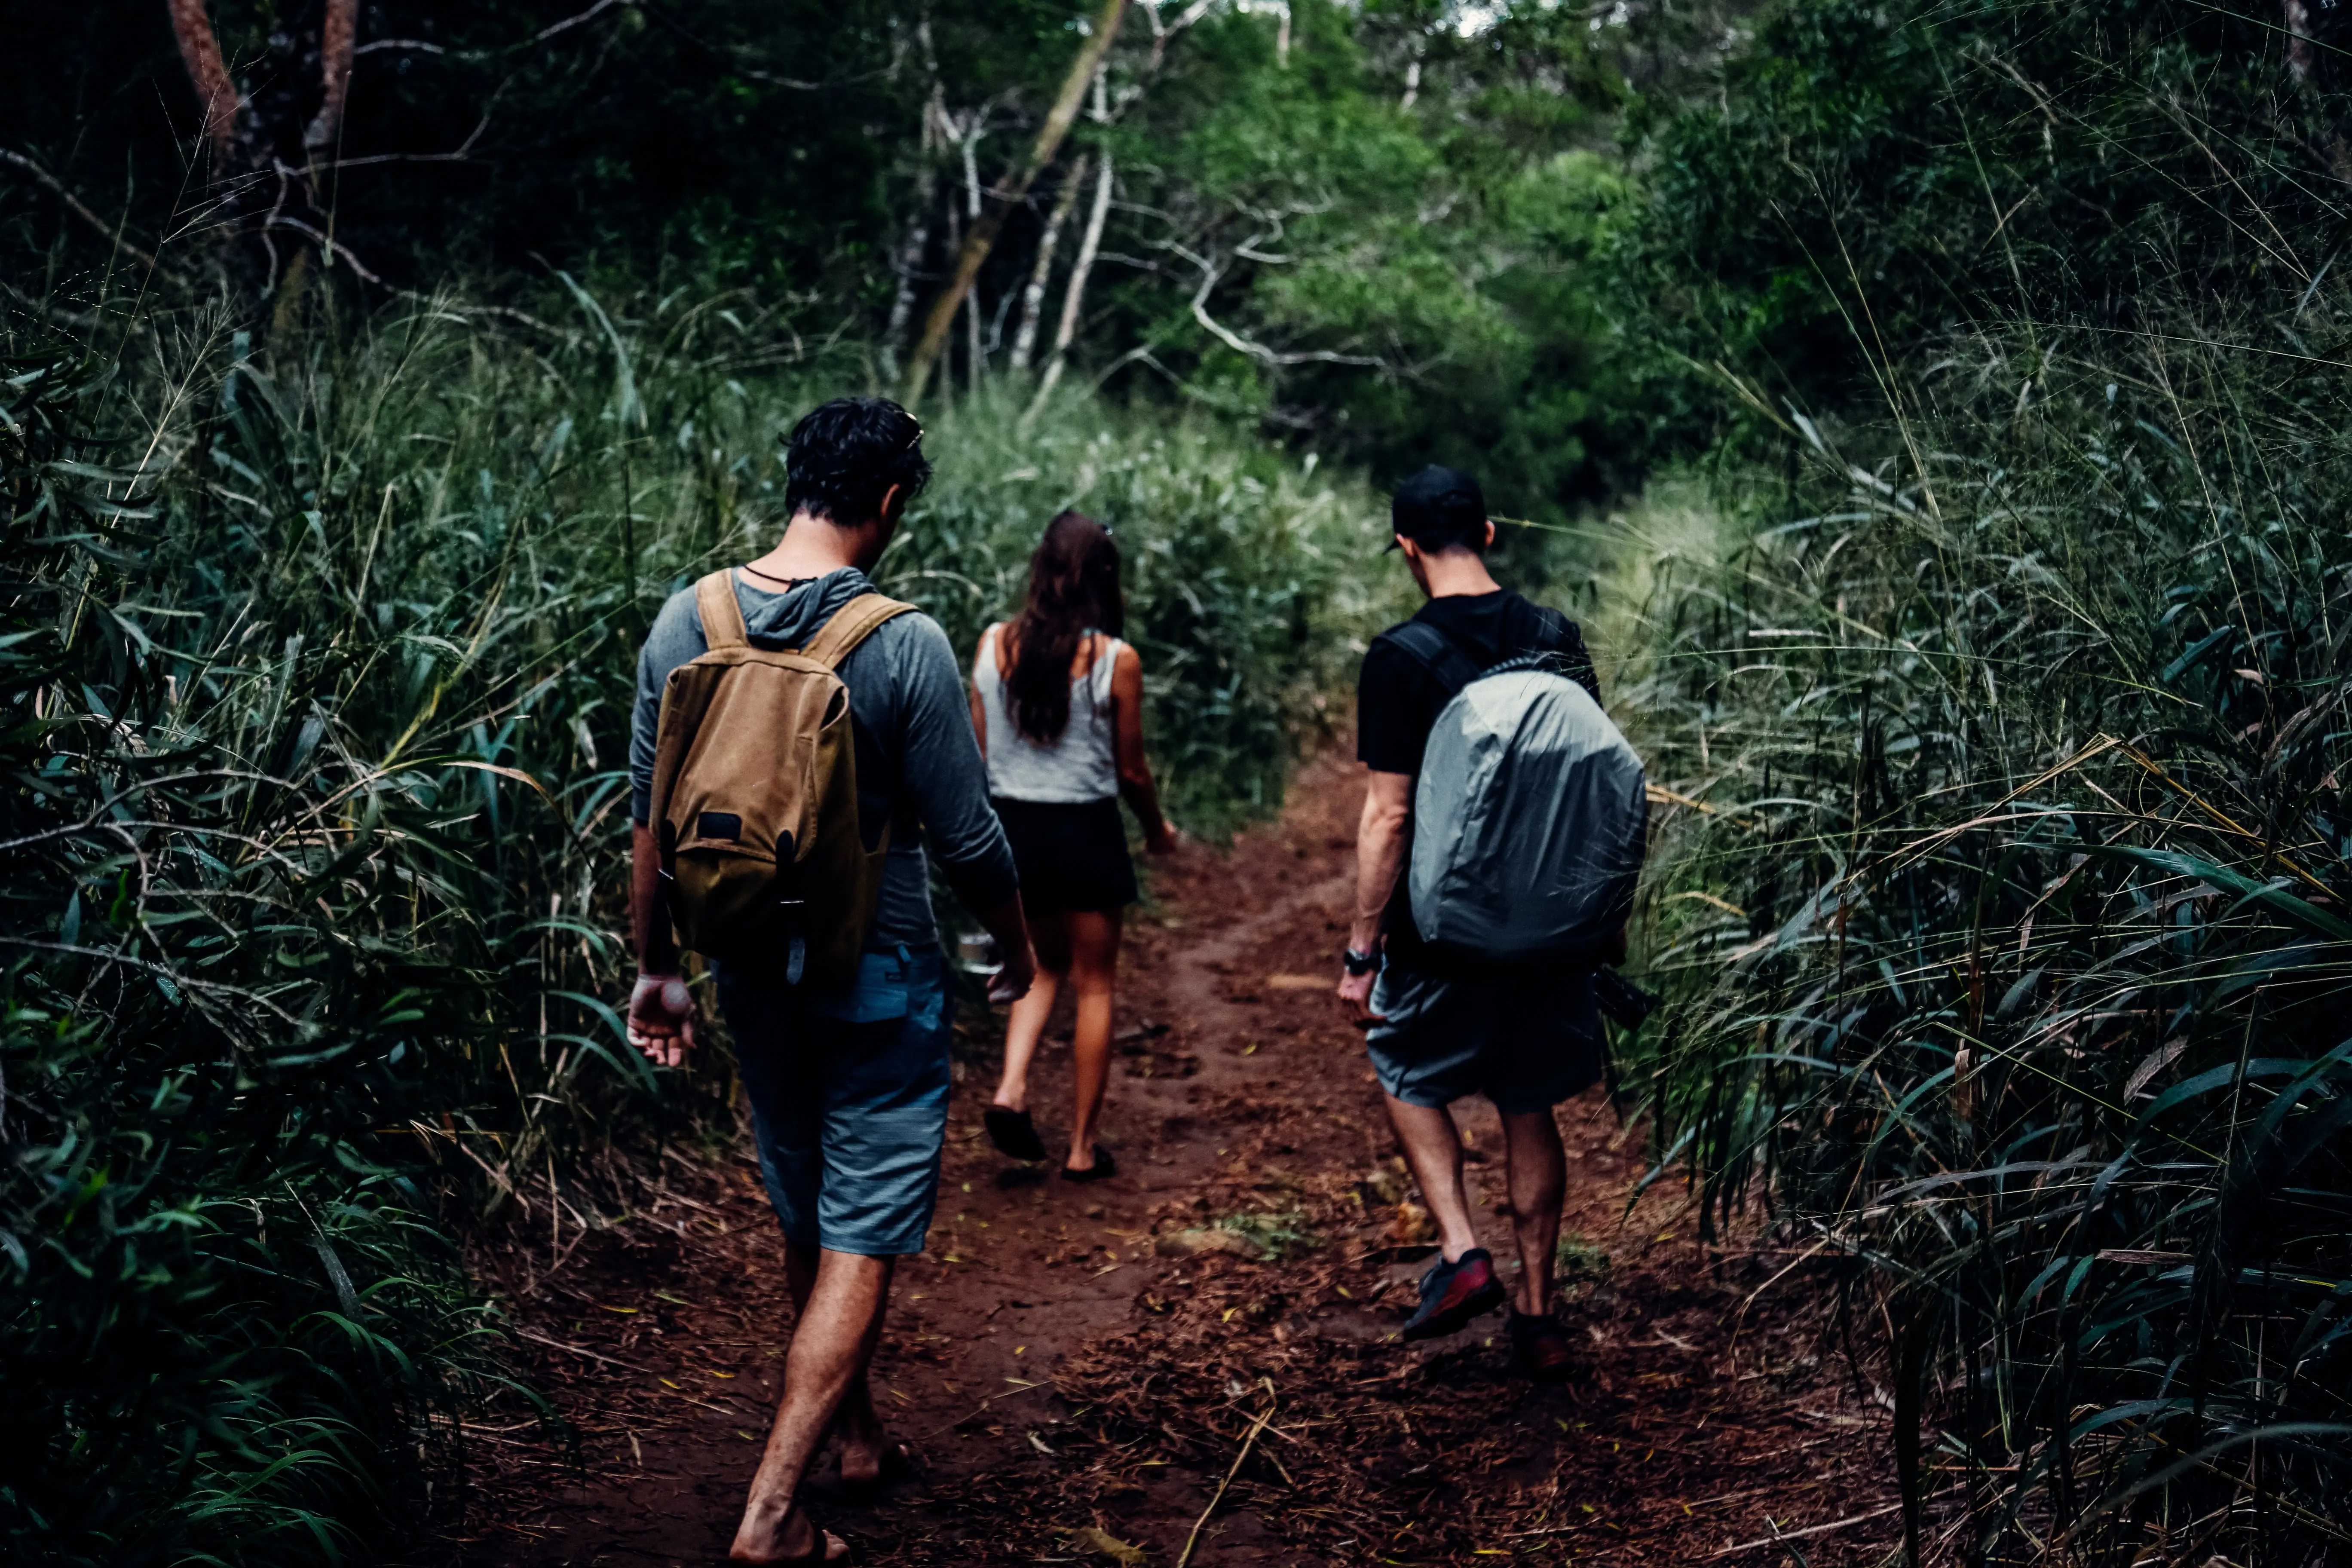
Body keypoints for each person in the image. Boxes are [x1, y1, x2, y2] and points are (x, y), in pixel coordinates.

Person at [624, 397, 1037, 1565]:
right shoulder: (899, 640)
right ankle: (770, 1512)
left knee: (809, 1204)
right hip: (884, 969)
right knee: (861, 1234)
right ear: (891, 502)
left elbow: (648, 822)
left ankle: (855, 1440)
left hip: (748, 963)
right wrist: (1018, 947)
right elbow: (967, 839)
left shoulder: (687, 619)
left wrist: (658, 968)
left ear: (796, 477)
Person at [1333, 464, 1616, 1386]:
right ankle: (1539, 1314)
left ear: (1407, 548)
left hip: (1443, 930)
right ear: (1489, 533)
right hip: (1551, 923)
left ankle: (1464, 1252)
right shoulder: (1555, 636)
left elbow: (1388, 817)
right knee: (1527, 1100)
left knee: (1403, 1068)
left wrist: (1361, 952)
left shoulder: (1402, 656)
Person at [970, 511, 1179, 1180]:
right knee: (1096, 987)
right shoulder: (1116, 661)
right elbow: (1131, 772)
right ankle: (1084, 1149)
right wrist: (1156, 829)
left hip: (1013, 833)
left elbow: (979, 754)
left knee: (1037, 965)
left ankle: (1010, 1089)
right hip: (1085, 832)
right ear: (1105, 579)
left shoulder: (992, 646)